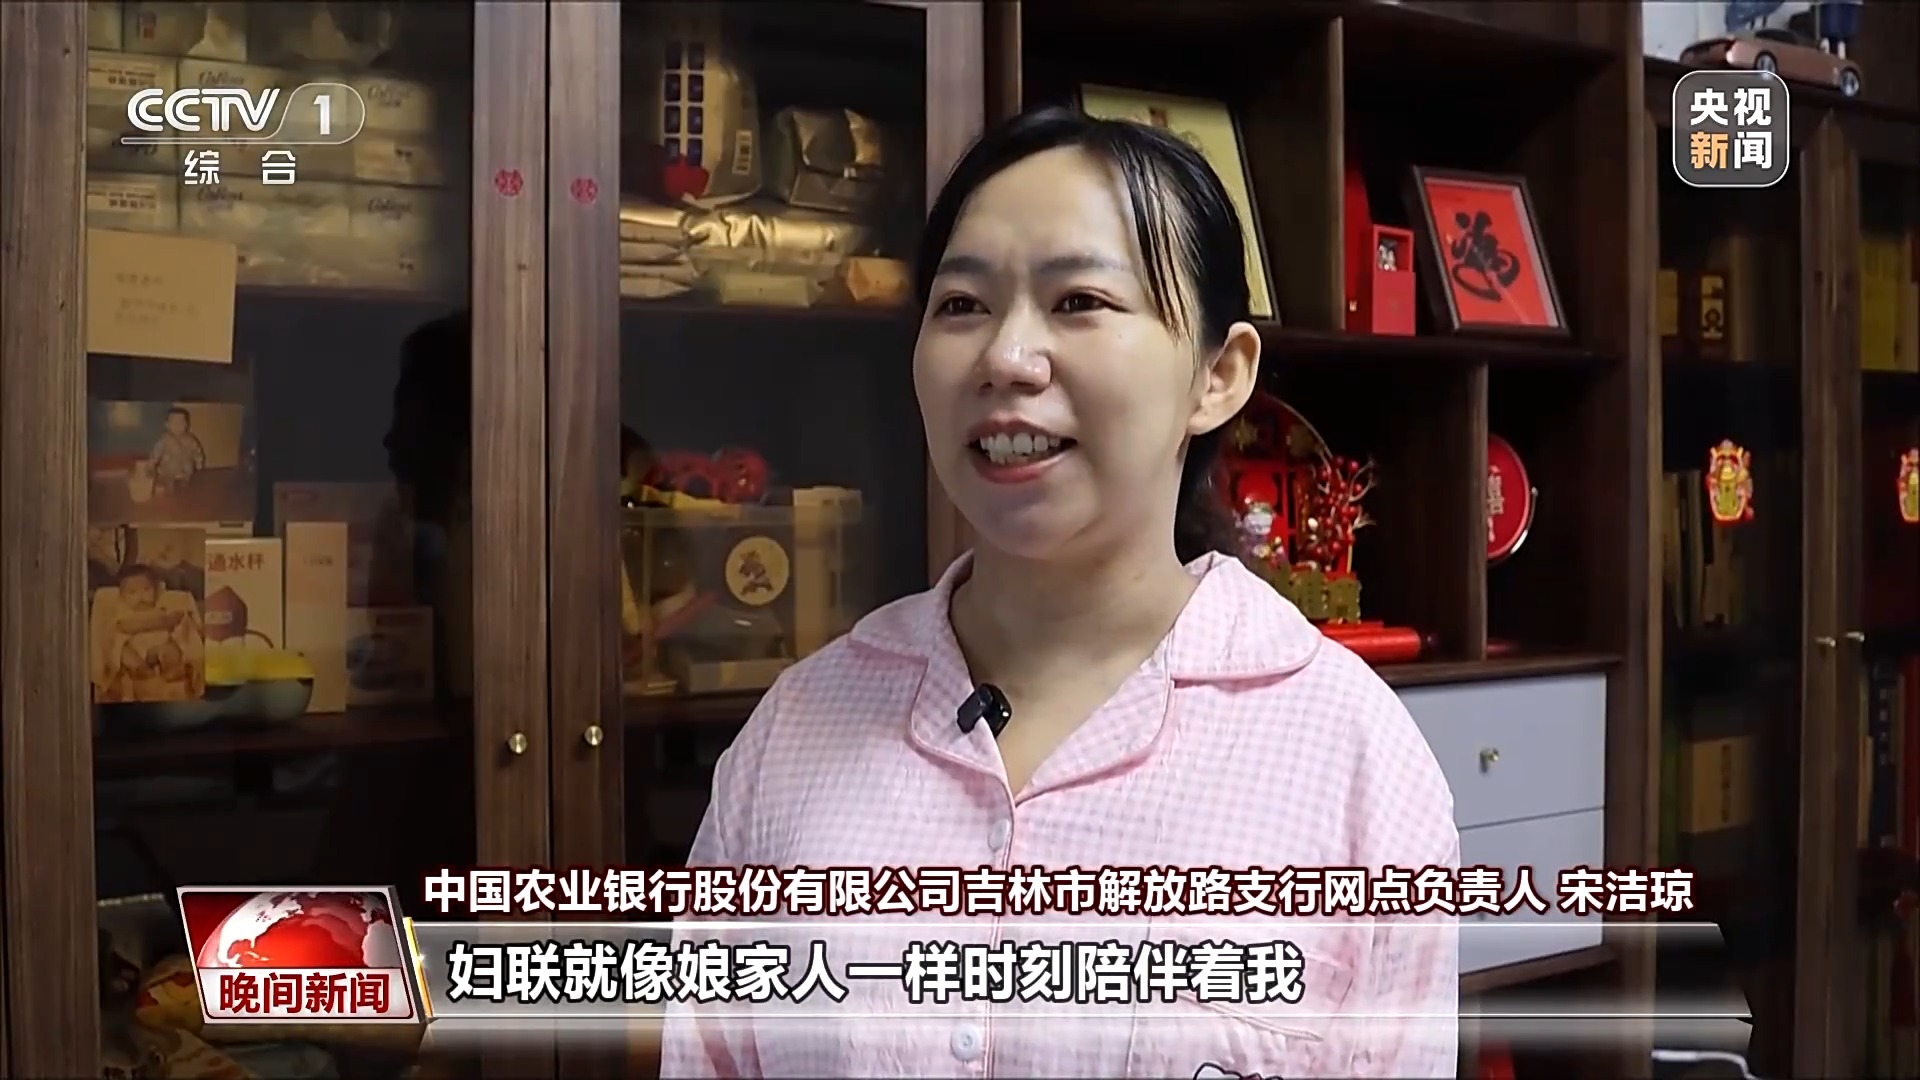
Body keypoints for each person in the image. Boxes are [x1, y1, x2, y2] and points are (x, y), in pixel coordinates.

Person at [660, 104, 1459, 1078]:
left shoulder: (1351, 758)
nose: (1006, 357)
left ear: (1218, 374)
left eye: (1079, 300)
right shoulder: (794, 733)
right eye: (963, 305)